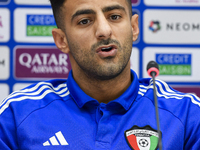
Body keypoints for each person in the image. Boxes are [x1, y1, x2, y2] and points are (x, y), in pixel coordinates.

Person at [0, 0, 200, 149]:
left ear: (133, 27)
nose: (104, 31)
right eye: (85, 21)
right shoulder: (16, 114)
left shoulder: (188, 115)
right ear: (62, 40)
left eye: (114, 16)